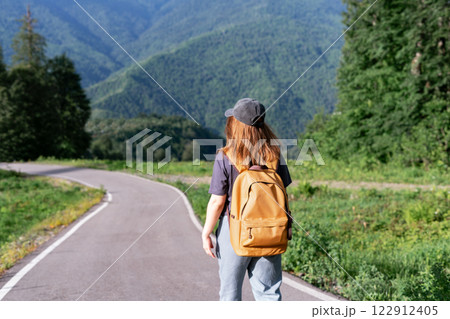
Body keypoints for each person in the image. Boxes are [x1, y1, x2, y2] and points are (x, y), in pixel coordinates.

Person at [201, 98, 292, 301]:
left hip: (233, 231)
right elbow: (282, 196)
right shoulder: (274, 154)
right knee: (268, 293)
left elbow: (217, 202)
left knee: (230, 295)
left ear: (235, 123)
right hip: (270, 230)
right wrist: (288, 225)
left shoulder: (225, 156)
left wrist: (206, 233)